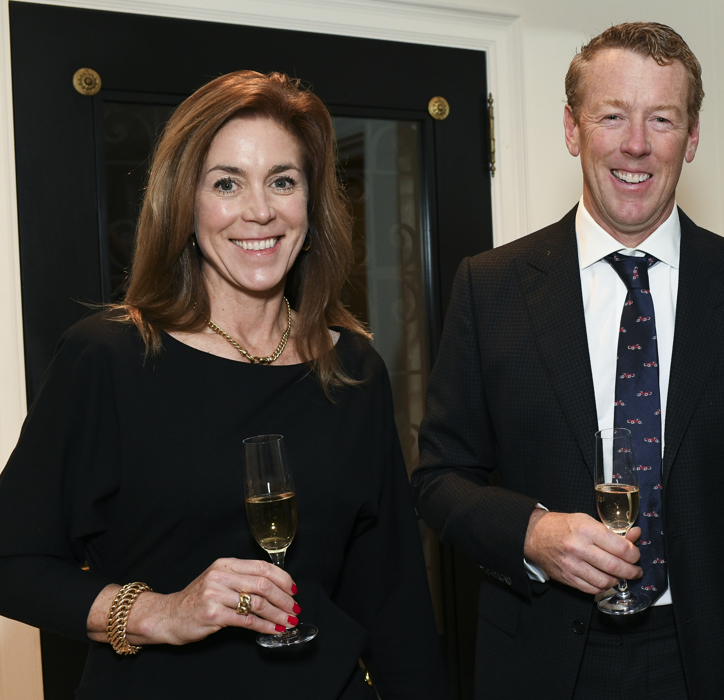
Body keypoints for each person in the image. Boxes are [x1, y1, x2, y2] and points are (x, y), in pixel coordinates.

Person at [0, 70, 449, 699]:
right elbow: (12, 562)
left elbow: (393, 597)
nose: (259, 210)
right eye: (226, 183)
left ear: (311, 204)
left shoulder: (353, 370)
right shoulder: (107, 359)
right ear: (185, 204)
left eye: (283, 181)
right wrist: (160, 613)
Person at [412, 22, 724, 700]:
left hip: (715, 662)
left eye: (662, 119)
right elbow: (438, 479)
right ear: (573, 129)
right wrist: (533, 533)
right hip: (544, 658)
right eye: (613, 116)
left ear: (692, 137)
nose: (636, 144)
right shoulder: (491, 287)